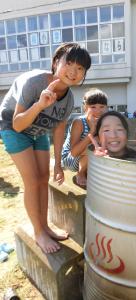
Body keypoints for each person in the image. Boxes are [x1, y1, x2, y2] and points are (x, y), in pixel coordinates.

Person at [0, 42, 91, 254]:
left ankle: (45, 226)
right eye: (69, 63)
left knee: (44, 179)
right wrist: (40, 105)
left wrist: (58, 164)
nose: (73, 71)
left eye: (80, 69)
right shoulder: (34, 83)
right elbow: (18, 124)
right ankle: (38, 231)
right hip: (13, 127)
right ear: (55, 63)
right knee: (32, 180)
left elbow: (59, 131)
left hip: (38, 131)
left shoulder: (68, 100)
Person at [61, 88, 108, 187]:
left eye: (102, 106)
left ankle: (91, 172)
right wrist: (92, 131)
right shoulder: (79, 122)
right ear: (85, 107)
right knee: (93, 147)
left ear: (106, 107)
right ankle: (81, 173)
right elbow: (73, 152)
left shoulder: (106, 121)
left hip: (91, 158)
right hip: (70, 159)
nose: (98, 110)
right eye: (93, 107)